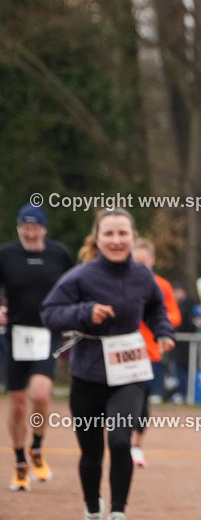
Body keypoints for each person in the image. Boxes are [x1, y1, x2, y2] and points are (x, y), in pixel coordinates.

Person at [40, 208, 174, 520]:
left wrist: (163, 332)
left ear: (133, 237)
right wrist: (84, 312)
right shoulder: (81, 276)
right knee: (91, 452)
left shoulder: (143, 275)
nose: (116, 240)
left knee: (120, 441)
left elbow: (156, 307)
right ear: (97, 238)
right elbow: (49, 312)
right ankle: (92, 507)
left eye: (123, 233)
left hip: (129, 371)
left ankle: (117, 511)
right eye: (109, 234)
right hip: (87, 374)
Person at [0, 204, 73, 491]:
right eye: (25, 228)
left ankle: (37, 448)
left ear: (44, 229)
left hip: (47, 333)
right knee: (18, 405)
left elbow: (75, 285)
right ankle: (20, 462)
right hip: (16, 335)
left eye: (35, 228)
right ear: (19, 228)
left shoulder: (59, 254)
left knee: (40, 394)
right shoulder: (6, 255)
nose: (30, 234)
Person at [129, 238, 181, 467]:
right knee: (123, 398)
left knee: (143, 399)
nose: (140, 265)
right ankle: (121, 442)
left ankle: (137, 445)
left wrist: (157, 320)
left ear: (152, 260)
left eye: (144, 261)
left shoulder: (162, 285)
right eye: (136, 261)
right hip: (123, 351)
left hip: (150, 352)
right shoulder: (120, 281)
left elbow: (175, 316)